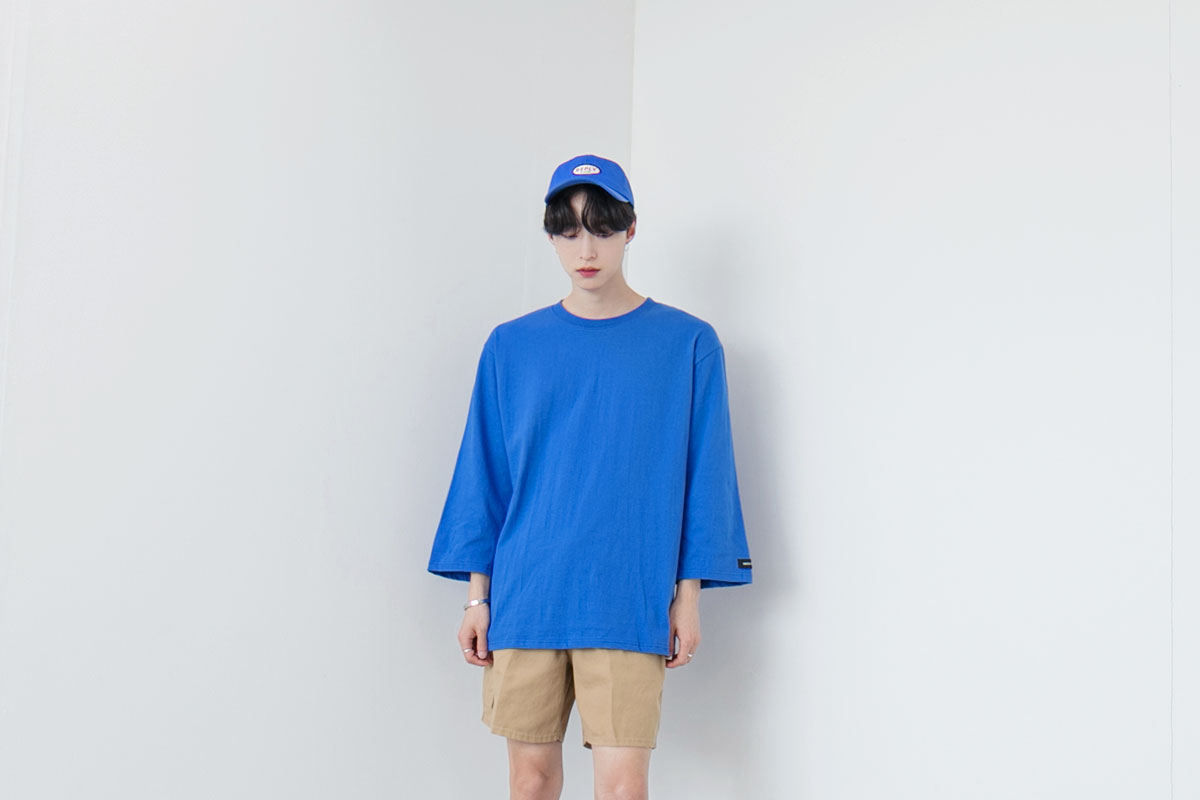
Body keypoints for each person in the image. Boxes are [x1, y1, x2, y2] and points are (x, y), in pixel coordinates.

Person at [428, 153, 752, 800]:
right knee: (530, 782)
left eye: (602, 229)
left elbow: (706, 477)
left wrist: (688, 598)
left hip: (627, 593)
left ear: (630, 229)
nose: (586, 249)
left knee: (623, 787)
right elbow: (484, 476)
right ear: (549, 235)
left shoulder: (688, 344)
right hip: (529, 594)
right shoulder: (511, 346)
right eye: (569, 230)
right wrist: (476, 599)